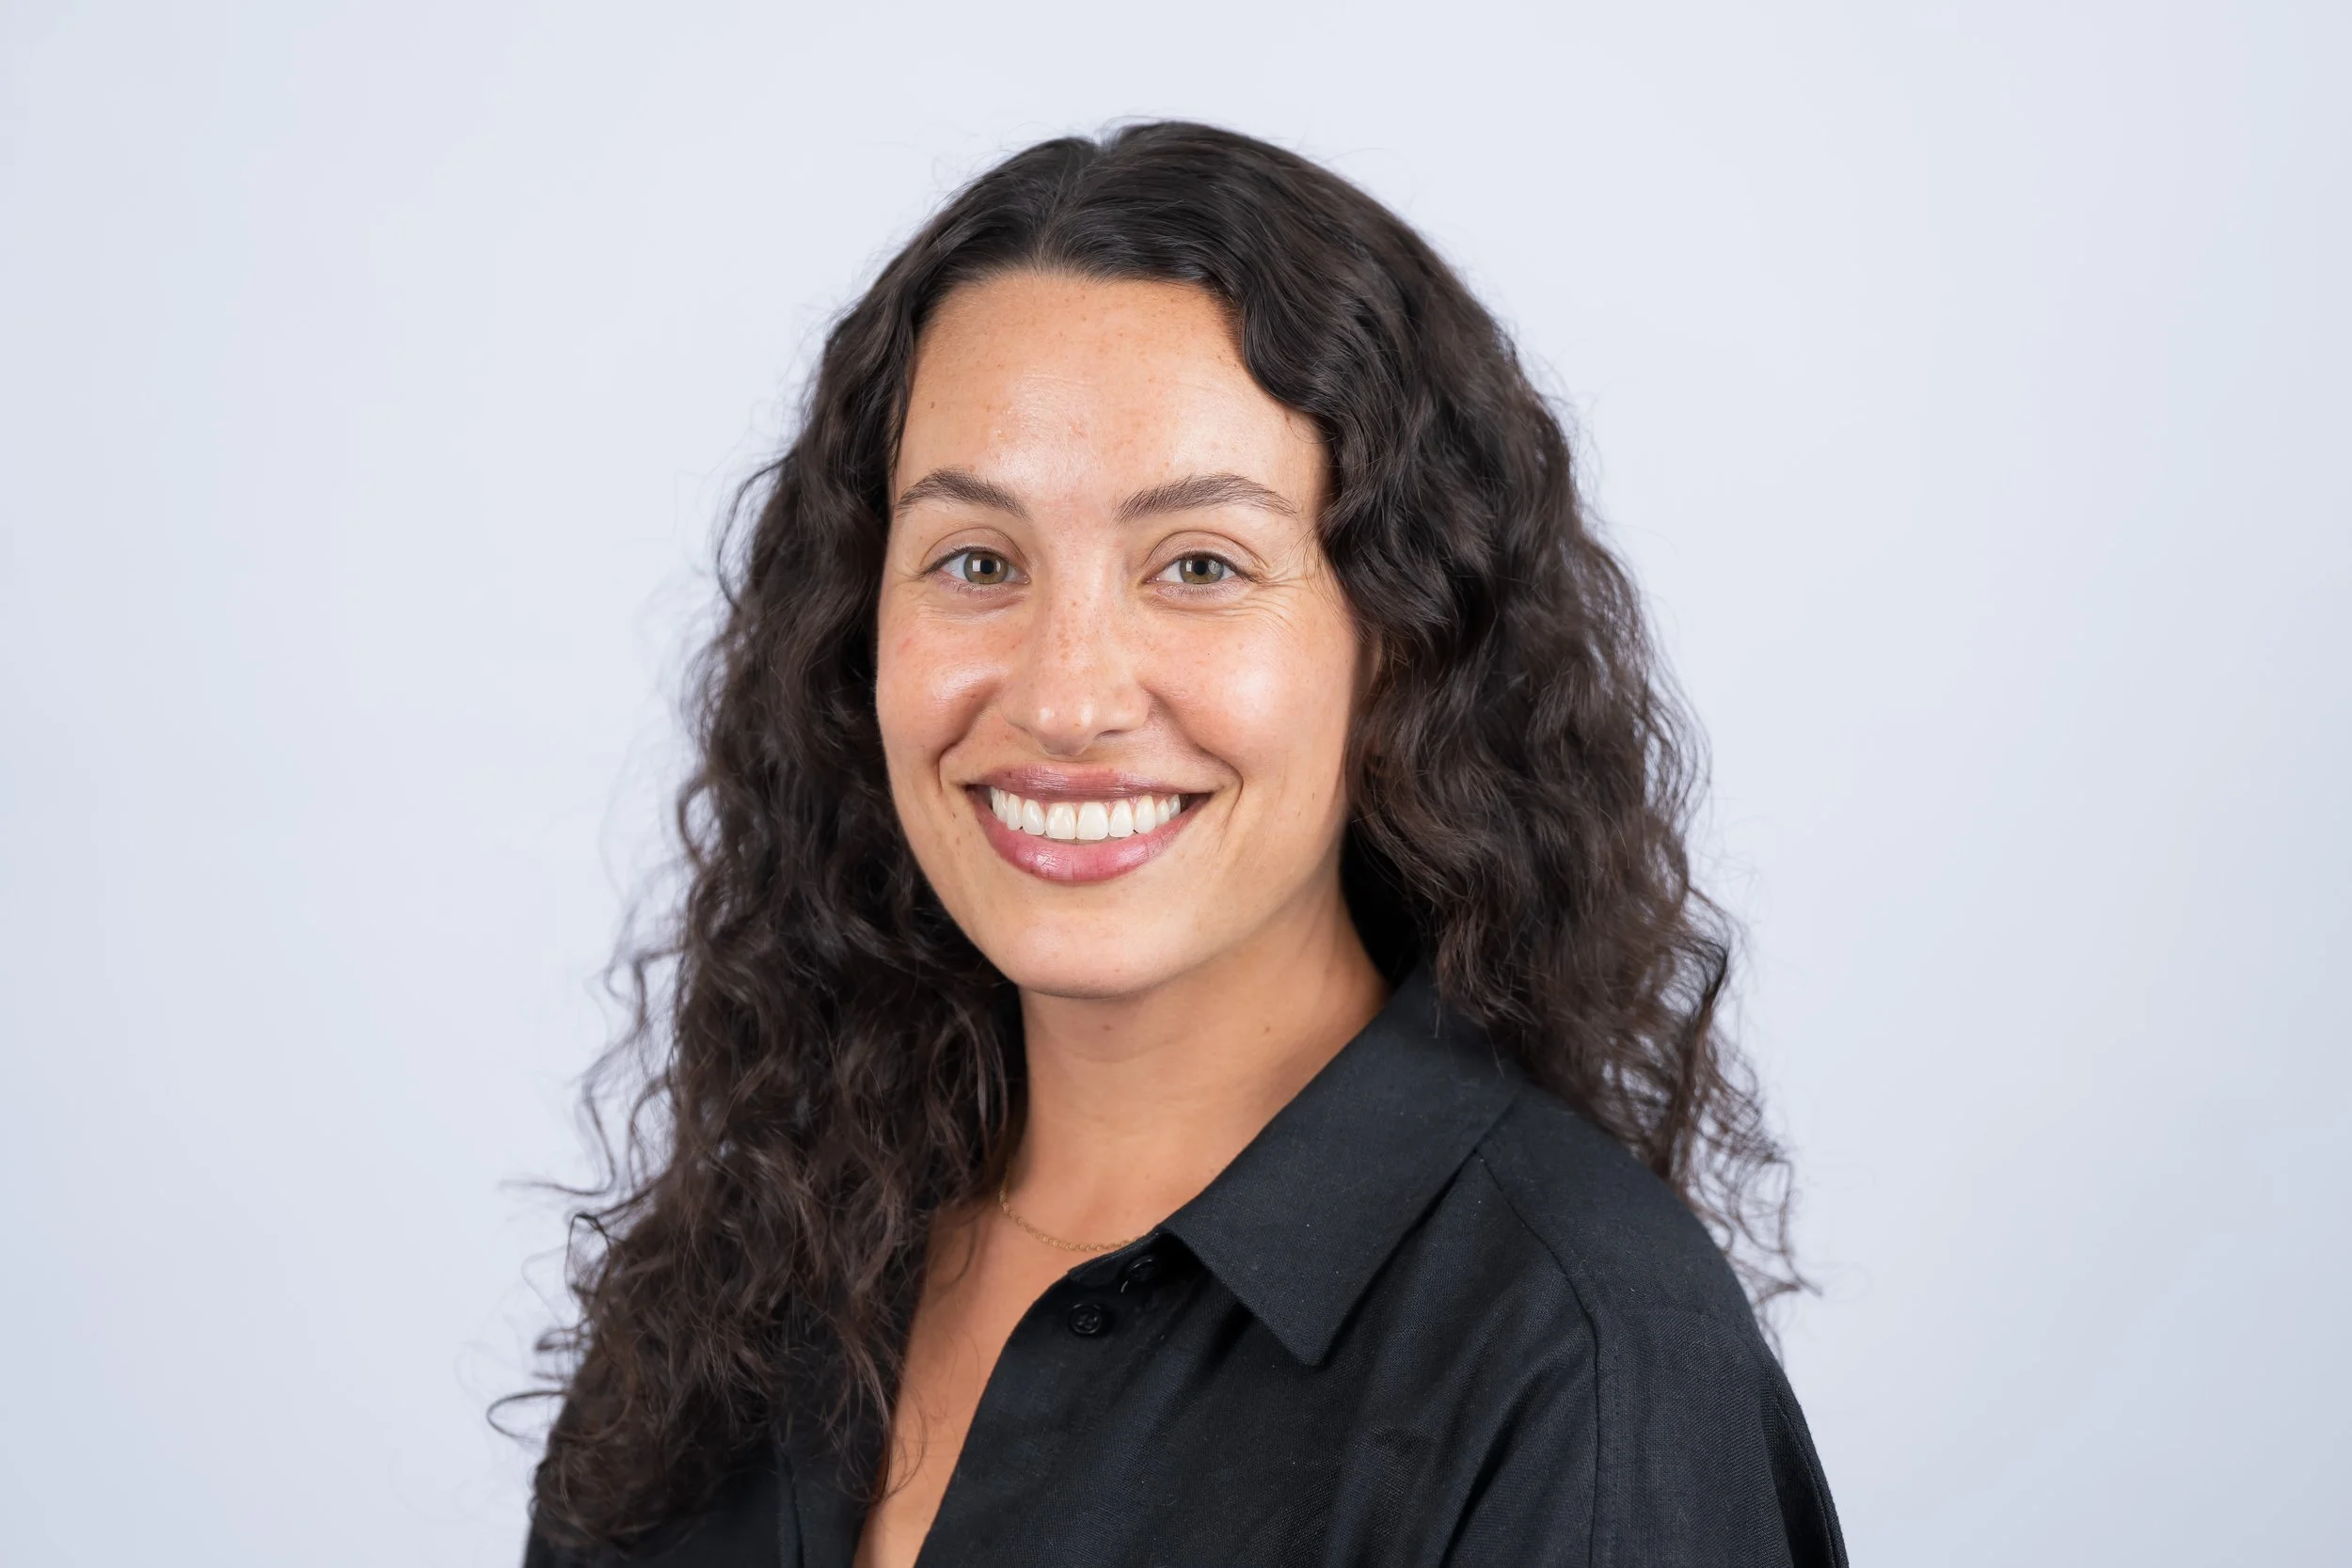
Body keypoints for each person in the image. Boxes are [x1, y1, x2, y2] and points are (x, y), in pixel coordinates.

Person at [518, 121, 1843, 1567]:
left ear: (1404, 644)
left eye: (1199, 564)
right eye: (977, 561)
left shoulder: (1582, 1361)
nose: (1065, 697)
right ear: (858, 627)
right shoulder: (747, 1281)